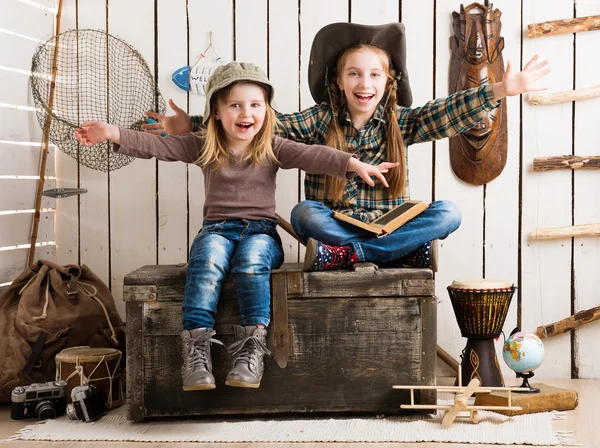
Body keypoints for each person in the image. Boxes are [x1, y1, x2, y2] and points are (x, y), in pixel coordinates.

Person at [74, 62, 393, 391]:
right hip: (216, 230)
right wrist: (112, 132)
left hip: (261, 233)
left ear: (266, 111)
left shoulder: (272, 146)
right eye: (236, 105)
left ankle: (251, 350)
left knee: (251, 262)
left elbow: (312, 154)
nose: (247, 113)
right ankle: (196, 351)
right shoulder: (203, 146)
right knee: (207, 260)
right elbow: (158, 146)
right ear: (216, 111)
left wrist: (353, 163)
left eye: (255, 105)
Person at [143, 23, 549, 272]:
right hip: (332, 223)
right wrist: (192, 124)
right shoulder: (319, 121)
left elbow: (446, 113)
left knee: (450, 212)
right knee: (304, 214)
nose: (364, 83)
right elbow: (260, 124)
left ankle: (352, 255)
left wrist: (500, 89)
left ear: (387, 83)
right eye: (354, 73)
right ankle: (397, 254)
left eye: (374, 74)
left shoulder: (401, 122)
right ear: (338, 80)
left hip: (387, 221)